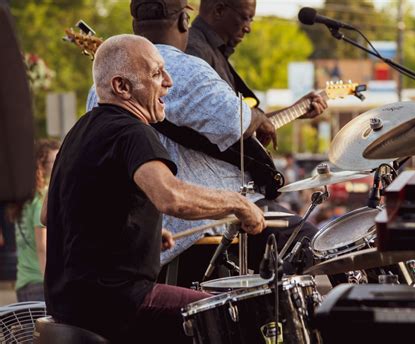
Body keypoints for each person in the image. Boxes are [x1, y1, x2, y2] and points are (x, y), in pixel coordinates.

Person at [45, 34, 265, 343]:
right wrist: (238, 204)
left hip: (69, 303)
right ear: (122, 87)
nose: (169, 82)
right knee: (231, 316)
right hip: (118, 302)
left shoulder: (79, 130)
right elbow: (170, 196)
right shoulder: (132, 131)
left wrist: (134, 232)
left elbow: (50, 212)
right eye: (156, 73)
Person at [87, 0, 327, 272]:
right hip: (204, 225)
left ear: (134, 27)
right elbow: (238, 123)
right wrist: (256, 116)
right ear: (183, 22)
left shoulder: (98, 89)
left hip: (144, 239)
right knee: (319, 246)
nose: (167, 82)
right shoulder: (188, 70)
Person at [5, 139, 59, 302]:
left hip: (23, 281)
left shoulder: (25, 197)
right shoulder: (42, 197)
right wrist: (49, 281)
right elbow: (42, 245)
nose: (59, 164)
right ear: (42, 164)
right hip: (39, 282)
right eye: (54, 160)